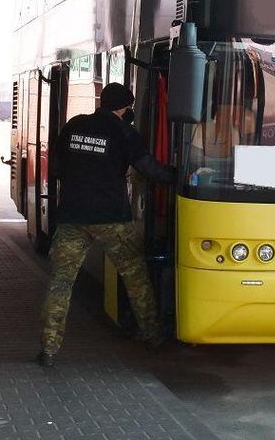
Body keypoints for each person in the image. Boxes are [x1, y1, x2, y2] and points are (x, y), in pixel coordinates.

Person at [37, 83, 176, 367]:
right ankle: (152, 334)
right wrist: (180, 174)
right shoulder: (125, 133)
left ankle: (49, 349)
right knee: (135, 276)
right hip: (112, 219)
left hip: (73, 217)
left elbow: (57, 167)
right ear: (125, 108)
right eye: (130, 107)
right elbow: (150, 170)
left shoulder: (74, 125)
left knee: (60, 284)